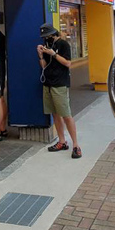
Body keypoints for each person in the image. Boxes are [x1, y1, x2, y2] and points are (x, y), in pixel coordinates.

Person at [38, 23, 80, 159]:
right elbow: (44, 65)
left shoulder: (63, 45)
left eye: (47, 36)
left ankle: (76, 145)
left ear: (53, 34)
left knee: (66, 114)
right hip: (48, 83)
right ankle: (62, 141)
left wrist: (53, 54)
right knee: (55, 113)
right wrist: (41, 55)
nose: (46, 39)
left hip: (60, 84)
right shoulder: (47, 45)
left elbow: (68, 63)